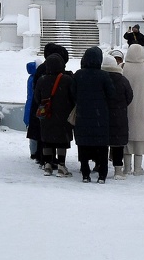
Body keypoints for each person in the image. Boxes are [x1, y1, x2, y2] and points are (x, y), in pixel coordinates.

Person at [71, 46, 118, 183]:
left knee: (83, 144)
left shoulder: (78, 74)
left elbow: (72, 93)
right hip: (100, 116)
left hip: (83, 115)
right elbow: (112, 94)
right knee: (102, 145)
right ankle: (102, 175)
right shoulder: (103, 75)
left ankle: (85, 173)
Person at [33, 44, 75, 177]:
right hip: (63, 115)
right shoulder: (67, 80)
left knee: (47, 139)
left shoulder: (42, 79)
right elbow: (73, 96)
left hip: (47, 114)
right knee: (62, 140)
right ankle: (61, 166)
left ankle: (47, 165)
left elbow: (37, 97)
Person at [121, 43, 144, 176]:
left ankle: (127, 167)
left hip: (127, 106)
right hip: (143, 106)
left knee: (127, 138)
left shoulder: (123, 67)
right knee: (140, 138)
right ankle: (138, 168)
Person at [102, 49, 133, 180]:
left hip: (102, 115)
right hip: (119, 115)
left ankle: (101, 167)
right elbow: (129, 96)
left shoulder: (101, 79)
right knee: (118, 143)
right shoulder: (122, 79)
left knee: (103, 143)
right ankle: (118, 170)